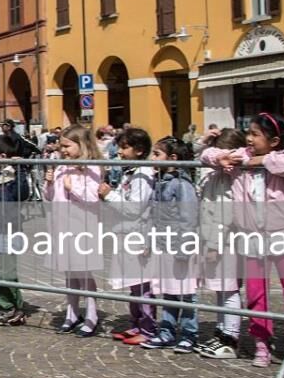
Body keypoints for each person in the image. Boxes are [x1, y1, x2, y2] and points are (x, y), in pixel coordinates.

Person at [201, 112, 284, 368]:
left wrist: (261, 160)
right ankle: (261, 343)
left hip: (280, 234)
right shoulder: (241, 157)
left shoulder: (278, 158)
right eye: (248, 132)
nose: (249, 138)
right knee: (257, 293)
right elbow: (205, 155)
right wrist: (223, 156)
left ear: (274, 141)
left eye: (256, 134)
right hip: (249, 236)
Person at [141, 137, 201, 353]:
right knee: (168, 291)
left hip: (178, 245)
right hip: (163, 244)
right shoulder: (159, 181)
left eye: (157, 154)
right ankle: (166, 331)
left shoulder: (182, 185)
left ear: (173, 158)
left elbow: (188, 218)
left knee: (185, 291)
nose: (152, 158)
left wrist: (184, 247)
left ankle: (188, 333)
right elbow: (152, 215)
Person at [99, 127, 158, 345]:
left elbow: (134, 208)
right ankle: (136, 323)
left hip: (138, 235)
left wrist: (110, 195)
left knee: (143, 285)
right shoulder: (130, 172)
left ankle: (149, 327)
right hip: (126, 235)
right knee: (134, 284)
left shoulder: (143, 175)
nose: (120, 153)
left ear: (140, 150)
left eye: (125, 148)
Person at [45, 124, 104, 336]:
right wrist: (49, 184)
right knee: (69, 272)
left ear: (81, 145)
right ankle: (72, 312)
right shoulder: (62, 166)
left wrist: (74, 188)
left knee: (85, 272)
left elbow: (93, 197)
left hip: (82, 224)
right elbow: (51, 197)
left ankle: (91, 315)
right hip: (62, 224)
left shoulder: (92, 168)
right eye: (61, 146)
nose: (63, 150)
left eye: (67, 146)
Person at [195, 128, 247, 360]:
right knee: (219, 287)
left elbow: (224, 213)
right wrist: (204, 141)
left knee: (229, 288)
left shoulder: (229, 178)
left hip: (226, 241)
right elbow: (197, 155)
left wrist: (215, 244)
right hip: (211, 236)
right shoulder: (213, 172)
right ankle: (220, 331)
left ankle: (231, 337)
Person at [0, 134, 30, 324]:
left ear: (1, 156)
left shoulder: (12, 174)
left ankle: (15, 307)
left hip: (9, 228)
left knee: (6, 271)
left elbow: (21, 193)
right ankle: (3, 305)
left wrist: (20, 170)